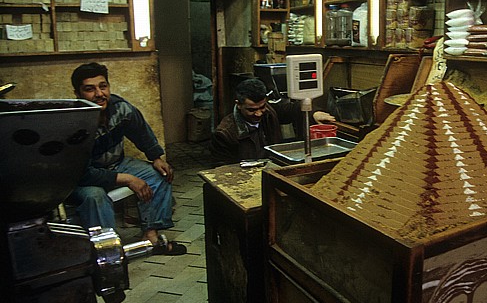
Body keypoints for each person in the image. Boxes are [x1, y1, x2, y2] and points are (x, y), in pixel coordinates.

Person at [68, 62, 186, 255]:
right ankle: (108, 252)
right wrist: (127, 179)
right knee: (95, 197)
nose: (99, 94)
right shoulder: (72, 124)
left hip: (116, 165)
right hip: (84, 178)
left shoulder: (119, 107)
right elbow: (81, 174)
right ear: (78, 93)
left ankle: (151, 236)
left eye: (103, 86)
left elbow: (140, 131)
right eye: (90, 89)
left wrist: (156, 157)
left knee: (160, 174)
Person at [210, 78, 335, 162]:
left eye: (262, 107)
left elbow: (293, 108)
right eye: (251, 110)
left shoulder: (269, 112)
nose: (258, 114)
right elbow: (222, 171)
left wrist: (314, 113)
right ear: (239, 104)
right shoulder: (224, 134)